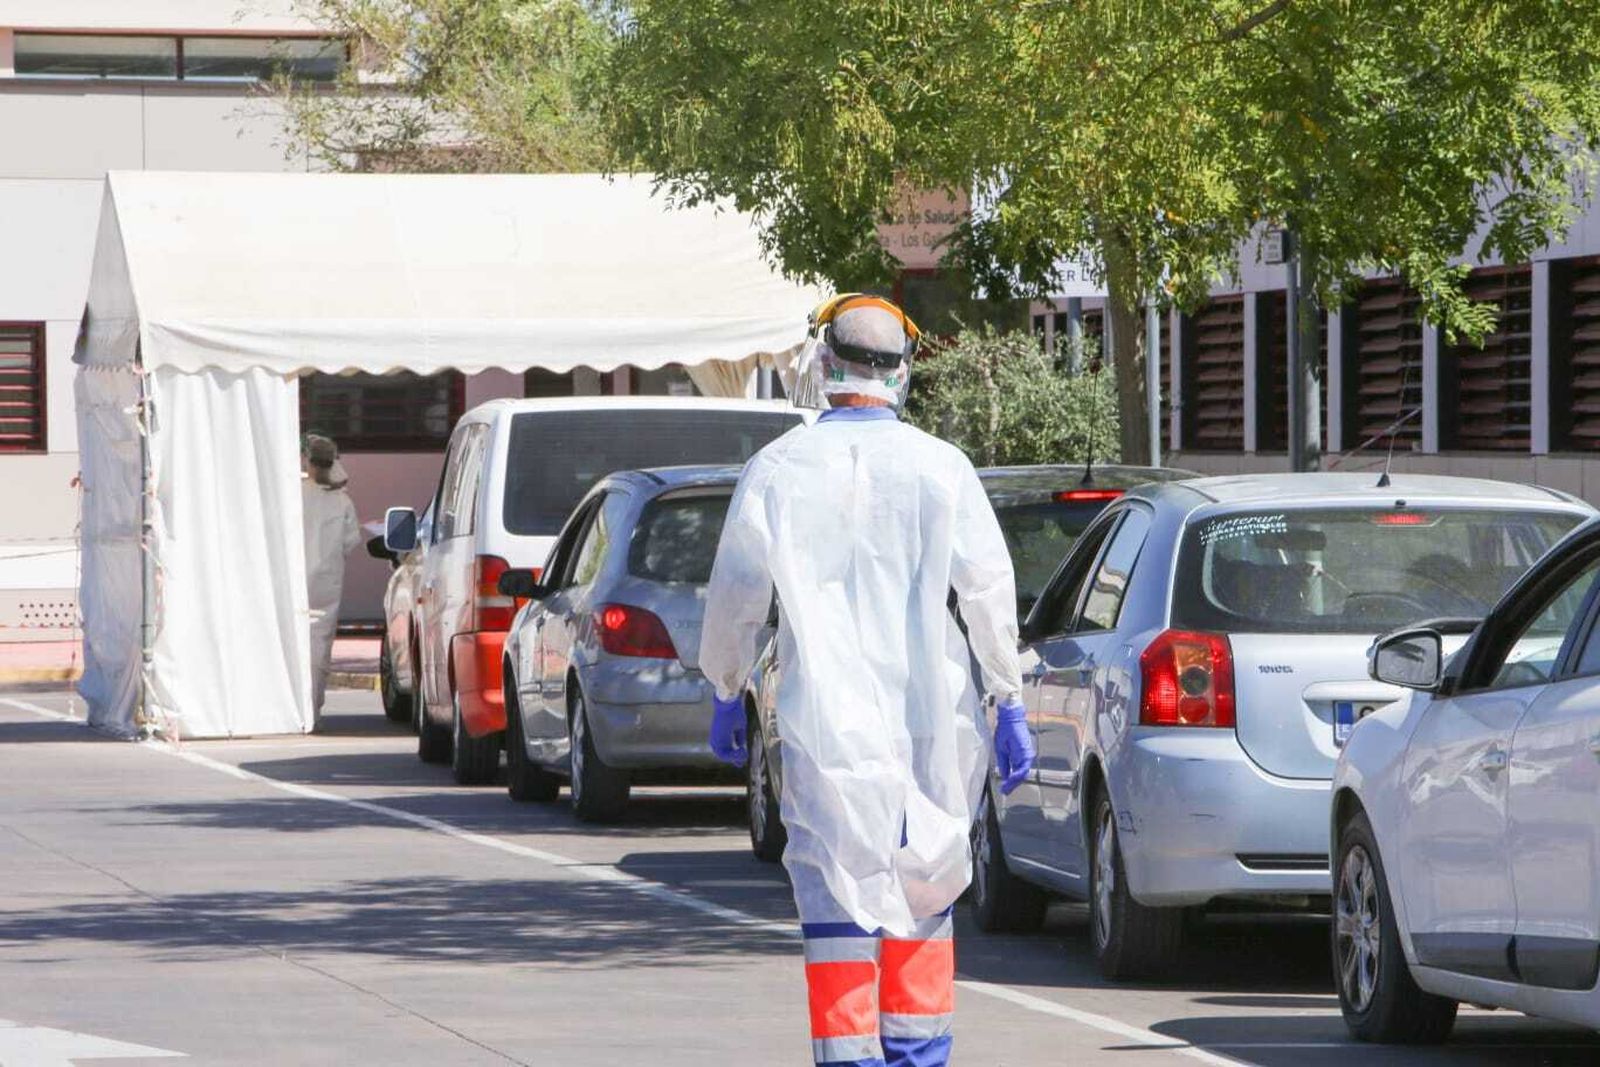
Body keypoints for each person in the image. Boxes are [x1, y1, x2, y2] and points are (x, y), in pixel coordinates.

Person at [700, 294, 1036, 1067]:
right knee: (922, 895)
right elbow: (987, 588)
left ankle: (849, 1060)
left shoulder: (779, 468)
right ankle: (919, 1058)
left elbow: (738, 591)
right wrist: (1007, 697)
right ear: (904, 374)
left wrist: (725, 686)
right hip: (929, 724)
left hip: (824, 725)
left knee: (835, 901)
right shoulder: (940, 467)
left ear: (824, 367)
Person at [301, 434, 361, 723]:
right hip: (327, 582)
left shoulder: (295, 493)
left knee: (292, 642)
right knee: (319, 646)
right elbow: (351, 542)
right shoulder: (343, 502)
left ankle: (293, 709)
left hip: (295, 579)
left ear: (308, 462)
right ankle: (312, 709)